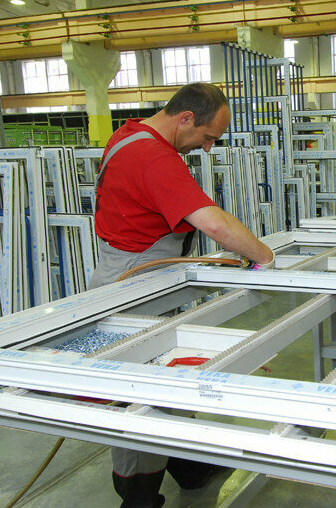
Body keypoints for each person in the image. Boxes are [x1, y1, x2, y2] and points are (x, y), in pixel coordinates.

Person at [89, 82, 274, 508]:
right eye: (208, 137)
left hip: (137, 269)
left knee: (170, 373)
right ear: (185, 117)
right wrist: (264, 257)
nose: (207, 148)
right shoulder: (154, 157)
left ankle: (190, 467)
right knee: (145, 390)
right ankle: (137, 494)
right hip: (136, 282)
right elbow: (215, 224)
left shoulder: (129, 135)